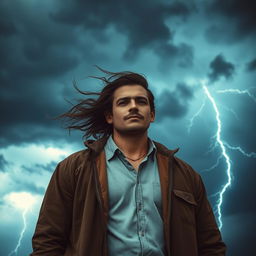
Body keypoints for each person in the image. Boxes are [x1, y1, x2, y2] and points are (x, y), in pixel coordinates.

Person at [30, 68, 226, 256]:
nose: (133, 106)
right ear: (109, 116)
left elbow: (210, 244)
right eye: (123, 102)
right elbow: (48, 242)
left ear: (152, 115)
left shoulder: (185, 174)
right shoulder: (74, 169)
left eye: (141, 101)